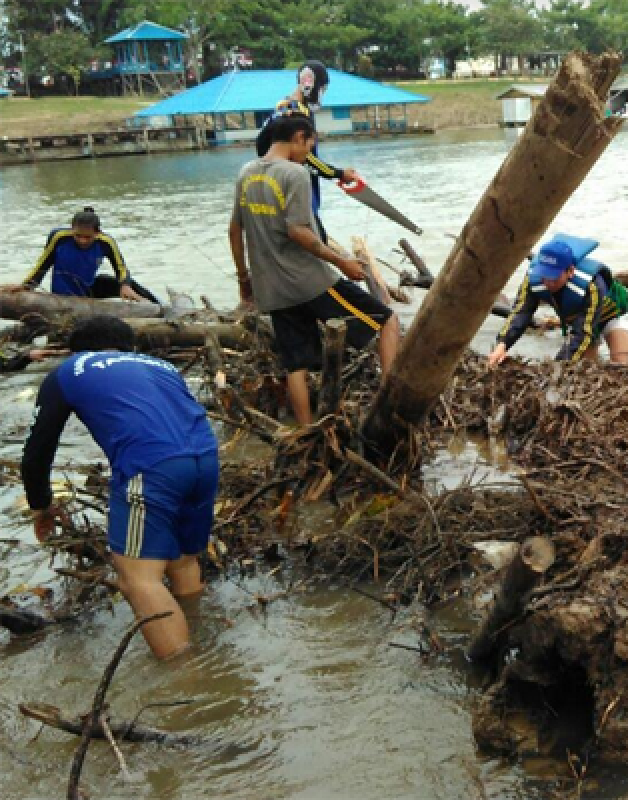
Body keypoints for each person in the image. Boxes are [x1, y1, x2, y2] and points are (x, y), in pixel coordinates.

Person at [20, 315, 218, 659]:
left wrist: (42, 505)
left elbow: (38, 449)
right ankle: (202, 638)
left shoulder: (71, 370)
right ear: (129, 346)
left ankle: (188, 678)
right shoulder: (160, 365)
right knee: (183, 562)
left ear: (76, 349)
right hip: (205, 458)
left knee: (138, 580)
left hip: (151, 466)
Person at [230, 114, 400, 426]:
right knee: (387, 321)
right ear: (298, 137)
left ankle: (307, 431)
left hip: (273, 289)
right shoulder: (294, 174)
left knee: (296, 364)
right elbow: (298, 231)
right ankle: (389, 406)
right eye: (310, 146)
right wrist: (343, 262)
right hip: (311, 282)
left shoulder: (246, 173)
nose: (309, 154)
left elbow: (234, 231)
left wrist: (244, 280)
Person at [255, 60, 360, 243]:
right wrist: (339, 173)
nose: (322, 95)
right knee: (318, 240)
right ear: (312, 85)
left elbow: (261, 147)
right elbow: (308, 159)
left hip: (275, 186)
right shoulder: (298, 114)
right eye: (322, 90)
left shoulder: (281, 108)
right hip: (296, 187)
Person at [488, 235, 628, 368]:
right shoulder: (533, 278)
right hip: (579, 319)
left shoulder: (591, 285)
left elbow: (583, 332)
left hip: (611, 316)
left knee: (621, 365)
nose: (548, 282)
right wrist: (502, 344)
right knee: (587, 368)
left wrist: (557, 366)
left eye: (554, 277)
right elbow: (521, 313)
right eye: (545, 275)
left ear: (570, 271)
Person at [3, 208, 159, 303]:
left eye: (87, 237)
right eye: (78, 236)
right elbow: (43, 264)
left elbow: (121, 268)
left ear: (97, 233)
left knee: (116, 282)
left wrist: (125, 285)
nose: (82, 241)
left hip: (88, 288)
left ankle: (160, 308)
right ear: (71, 230)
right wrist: (26, 286)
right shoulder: (59, 238)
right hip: (62, 293)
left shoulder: (106, 242)